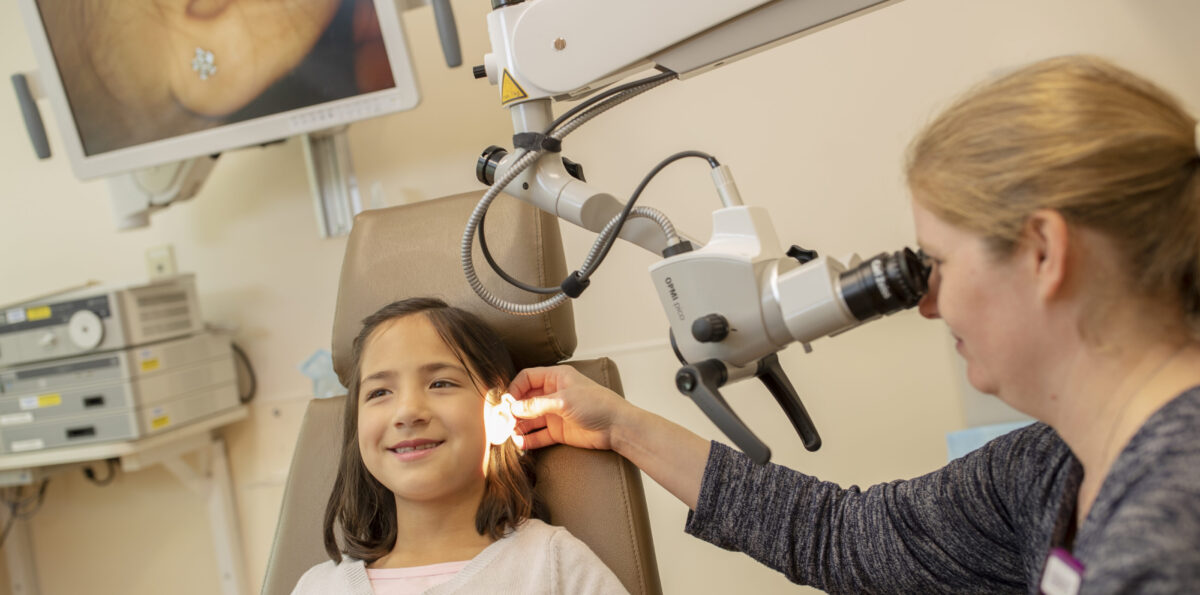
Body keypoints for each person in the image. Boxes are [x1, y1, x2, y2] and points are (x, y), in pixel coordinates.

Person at [507, 55, 1200, 594]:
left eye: (938, 263)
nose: (928, 303)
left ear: (1044, 253)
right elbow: (843, 534)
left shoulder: (1171, 517)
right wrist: (620, 425)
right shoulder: (1053, 466)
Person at [292, 298, 627, 594]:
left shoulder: (553, 567)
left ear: (502, 416)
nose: (407, 412)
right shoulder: (318, 587)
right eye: (379, 392)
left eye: (440, 383)